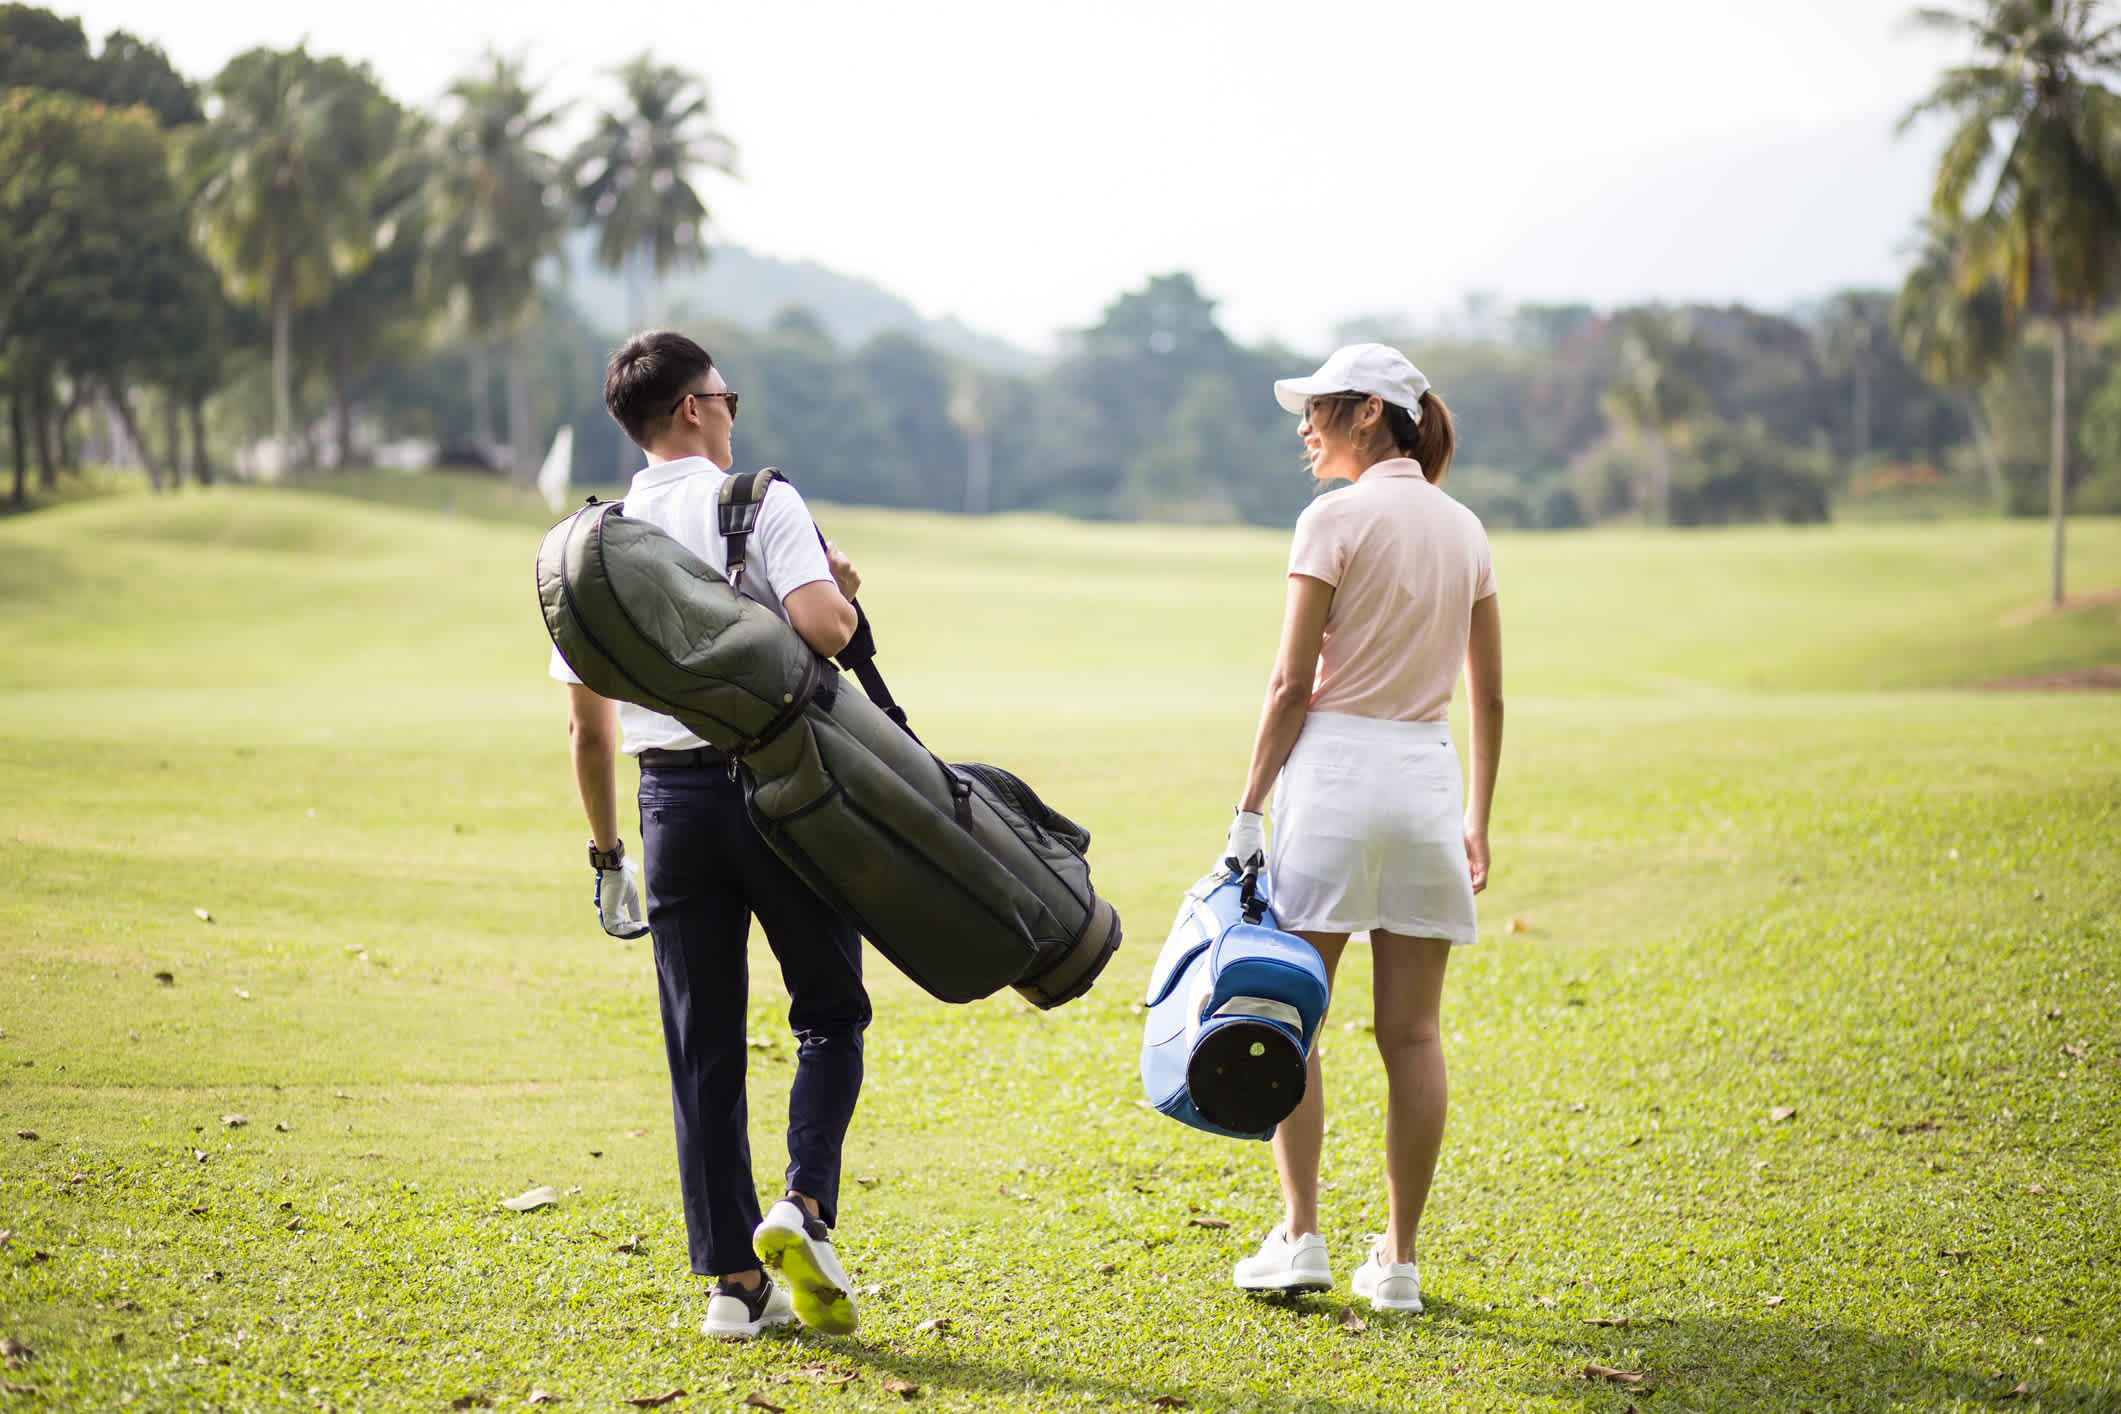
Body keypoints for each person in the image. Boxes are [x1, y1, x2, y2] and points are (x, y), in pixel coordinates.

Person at [552, 330, 871, 1340]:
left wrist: (609, 857)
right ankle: (803, 1208)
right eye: (725, 394)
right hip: (780, 786)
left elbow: (586, 725)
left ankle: (733, 1284)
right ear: (693, 407)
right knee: (829, 1008)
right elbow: (825, 631)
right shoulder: (762, 500)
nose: (733, 410)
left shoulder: (591, 545)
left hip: (668, 808)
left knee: (702, 1045)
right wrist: (841, 588)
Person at [1222, 342, 1503, 1315]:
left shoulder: (1331, 518)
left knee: (1294, 1017)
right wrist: (1478, 819)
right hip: (1426, 783)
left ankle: (1300, 1235)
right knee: (1414, 1032)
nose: (1305, 426)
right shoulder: (1465, 528)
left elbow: (1292, 683)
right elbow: (1490, 695)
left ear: (1372, 412)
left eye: (1320, 408)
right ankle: (1400, 1261)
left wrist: (1248, 807)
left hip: (1335, 782)